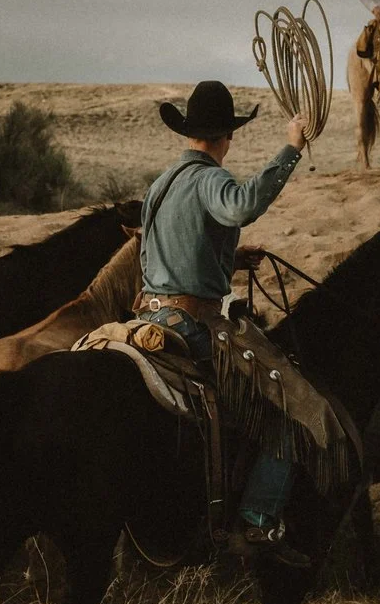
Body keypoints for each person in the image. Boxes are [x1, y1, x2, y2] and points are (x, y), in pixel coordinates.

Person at [135, 80, 315, 565]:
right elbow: (242, 205)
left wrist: (228, 258)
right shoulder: (210, 179)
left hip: (147, 317)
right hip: (189, 326)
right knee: (286, 408)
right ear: (227, 136)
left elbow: (158, 256)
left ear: (190, 132)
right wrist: (291, 150)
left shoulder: (161, 184)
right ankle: (259, 520)